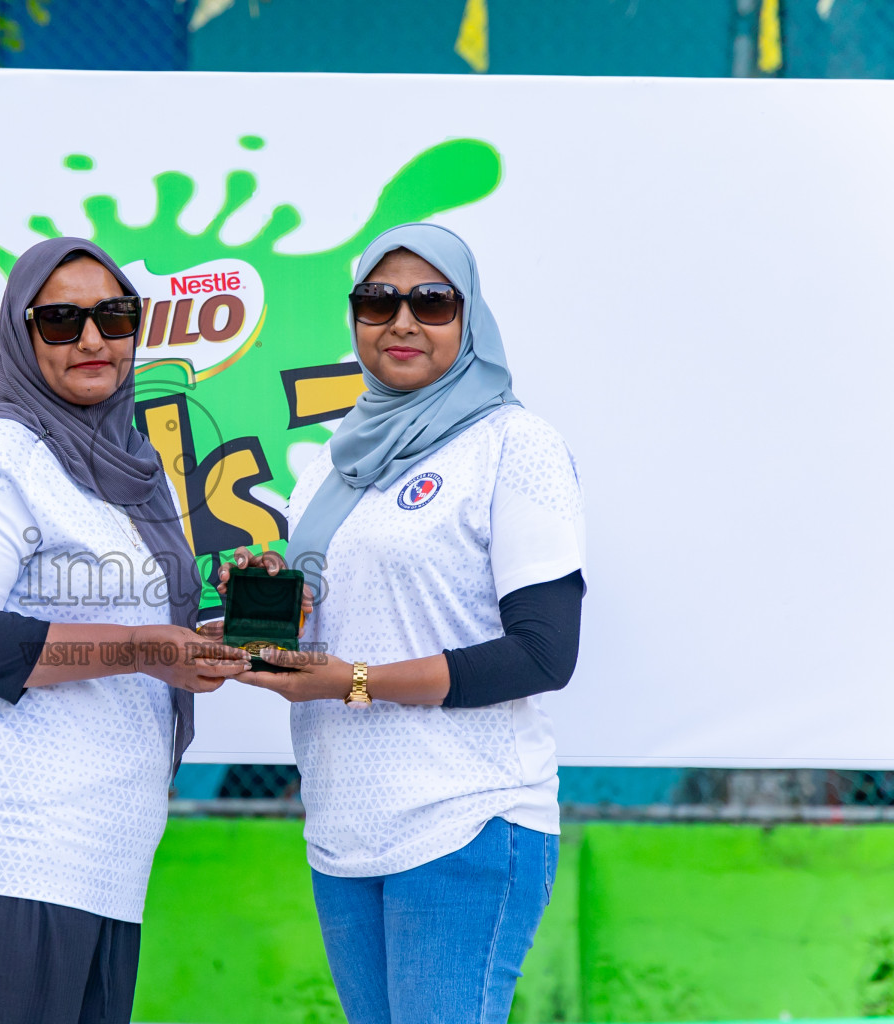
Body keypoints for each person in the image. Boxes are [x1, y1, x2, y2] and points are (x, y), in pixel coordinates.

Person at [220, 223, 585, 1024]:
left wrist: (357, 682)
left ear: (469, 317)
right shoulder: (330, 461)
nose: (403, 322)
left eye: (432, 301)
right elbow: (308, 649)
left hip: (466, 817)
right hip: (345, 823)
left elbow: (544, 653)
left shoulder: (512, 444)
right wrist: (264, 610)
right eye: (377, 301)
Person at [0, 237, 251, 1024]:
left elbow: (131, 633)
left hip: (100, 852)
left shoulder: (120, 461)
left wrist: (208, 636)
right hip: (5, 845)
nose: (93, 340)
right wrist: (142, 651)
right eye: (60, 321)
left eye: (114, 317)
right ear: (22, 337)